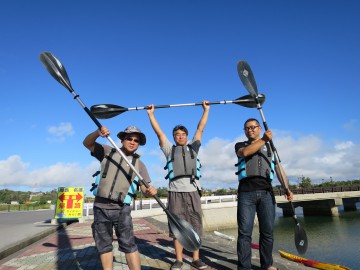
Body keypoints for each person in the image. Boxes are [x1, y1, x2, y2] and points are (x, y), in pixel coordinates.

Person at [146, 101, 210, 270]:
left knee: (195, 225)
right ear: (174, 137)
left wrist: (206, 110)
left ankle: (196, 259)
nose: (180, 136)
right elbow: (159, 133)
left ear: (187, 136)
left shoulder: (194, 148)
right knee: (176, 227)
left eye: (182, 134)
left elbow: (200, 129)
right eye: (177, 134)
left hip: (193, 191)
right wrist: (151, 115)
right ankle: (179, 260)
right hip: (175, 193)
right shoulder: (169, 150)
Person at [83, 125, 157, 270]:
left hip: (122, 209)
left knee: (129, 245)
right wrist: (97, 133)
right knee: (104, 246)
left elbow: (144, 188)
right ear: (122, 139)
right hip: (100, 207)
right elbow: (87, 143)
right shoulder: (107, 151)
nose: (132, 142)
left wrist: (150, 192)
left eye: (136, 140)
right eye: (129, 138)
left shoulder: (140, 165)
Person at [235, 118, 294, 270]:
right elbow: (246, 152)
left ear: (260, 128)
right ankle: (244, 267)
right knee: (244, 234)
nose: (250, 130)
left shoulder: (271, 148)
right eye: (247, 128)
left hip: (267, 193)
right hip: (246, 193)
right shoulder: (240, 145)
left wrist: (287, 188)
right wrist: (264, 139)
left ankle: (267, 265)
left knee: (267, 233)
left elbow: (280, 171)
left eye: (253, 127)